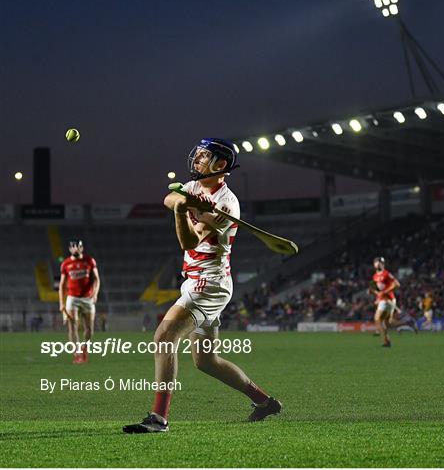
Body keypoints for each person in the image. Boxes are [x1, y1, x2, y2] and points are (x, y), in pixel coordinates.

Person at [124, 138, 282, 433]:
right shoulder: (195, 185)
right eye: (197, 154)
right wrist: (186, 201)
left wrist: (184, 211)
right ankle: (264, 402)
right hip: (198, 280)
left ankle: (159, 418)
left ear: (220, 165)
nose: (196, 159)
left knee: (164, 336)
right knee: (206, 361)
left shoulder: (227, 204)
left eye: (203, 156)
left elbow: (189, 241)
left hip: (208, 284)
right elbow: (168, 198)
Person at [59, 239, 100, 363]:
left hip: (87, 298)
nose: (75, 249)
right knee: (72, 327)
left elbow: (96, 279)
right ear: (70, 249)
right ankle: (76, 354)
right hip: (72, 298)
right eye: (73, 247)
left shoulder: (89, 261)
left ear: (82, 248)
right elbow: (61, 285)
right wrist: (61, 302)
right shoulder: (65, 264)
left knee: (89, 329)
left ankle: (84, 348)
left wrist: (95, 294)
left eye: (78, 246)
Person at [368, 256, 400, 347]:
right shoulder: (374, 276)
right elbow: (376, 290)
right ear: (374, 264)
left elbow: (397, 284)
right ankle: (387, 341)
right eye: (378, 262)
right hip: (383, 300)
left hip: (388, 300)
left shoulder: (386, 273)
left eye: (381, 263)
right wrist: (374, 293)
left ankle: (386, 339)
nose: (380, 264)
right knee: (385, 323)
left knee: (377, 319)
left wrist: (384, 292)